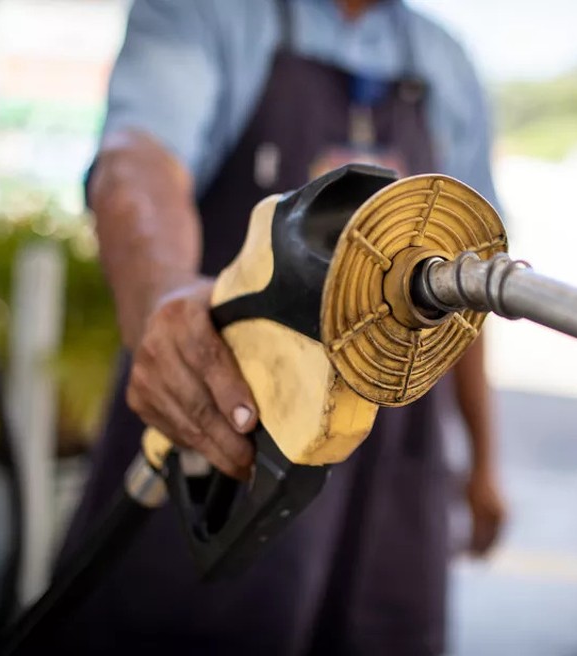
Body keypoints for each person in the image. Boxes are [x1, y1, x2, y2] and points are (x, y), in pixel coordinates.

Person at [56, 0, 505, 653]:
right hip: (221, 408)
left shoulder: (443, 61)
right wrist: (161, 296)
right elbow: (137, 161)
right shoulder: (205, 13)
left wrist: (484, 463)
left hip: (387, 457)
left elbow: (465, 279)